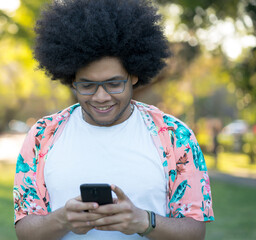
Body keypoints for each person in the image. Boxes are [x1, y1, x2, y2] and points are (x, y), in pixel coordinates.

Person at [13, 0, 215, 239]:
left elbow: (195, 232)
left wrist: (144, 221)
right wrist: (62, 219)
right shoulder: (41, 135)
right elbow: (25, 231)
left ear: (134, 76)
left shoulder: (174, 135)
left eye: (113, 83)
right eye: (87, 85)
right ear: (71, 80)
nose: (101, 97)